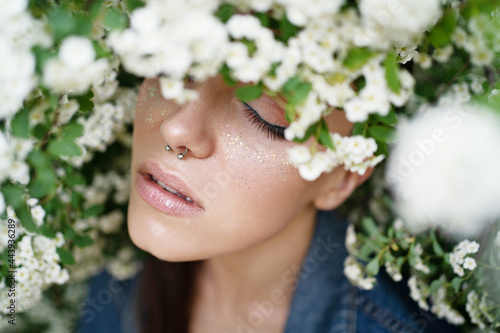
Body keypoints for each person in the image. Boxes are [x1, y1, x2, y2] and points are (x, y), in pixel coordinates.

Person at [77, 75, 460, 333]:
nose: (177, 128)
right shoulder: (110, 268)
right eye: (176, 68)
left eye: (265, 118)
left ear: (344, 176)